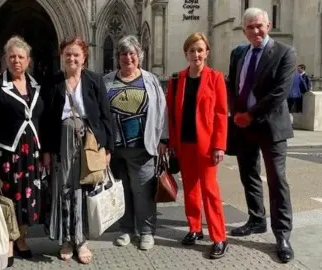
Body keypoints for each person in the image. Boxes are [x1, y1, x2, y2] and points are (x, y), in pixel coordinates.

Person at [226, 7, 295, 263]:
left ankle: (282, 234)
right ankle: (256, 220)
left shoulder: (284, 52)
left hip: (270, 126)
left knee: (277, 181)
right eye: (250, 27)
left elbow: (279, 93)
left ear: (268, 25)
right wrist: (235, 113)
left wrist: (250, 114)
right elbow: (232, 85)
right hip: (243, 126)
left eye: (259, 26)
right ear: (244, 30)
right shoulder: (238, 53)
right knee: (249, 175)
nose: (255, 31)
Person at [40, 36, 112, 264]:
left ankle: (81, 240)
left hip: (88, 144)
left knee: (83, 189)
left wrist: (108, 148)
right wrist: (47, 151)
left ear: (84, 58)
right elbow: (45, 119)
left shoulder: (94, 80)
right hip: (61, 142)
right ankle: (66, 240)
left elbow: (105, 115)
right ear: (62, 57)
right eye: (67, 54)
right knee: (63, 190)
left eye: (76, 55)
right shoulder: (52, 82)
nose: (71, 58)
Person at [0, 35, 44, 267]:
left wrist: (44, 150)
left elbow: (41, 120)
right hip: (7, 153)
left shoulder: (36, 85)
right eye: (12, 56)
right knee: (7, 200)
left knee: (28, 200)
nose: (17, 61)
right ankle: (7, 241)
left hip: (31, 154)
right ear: (5, 59)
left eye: (21, 57)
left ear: (28, 61)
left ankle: (22, 239)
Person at [167, 32, 228, 259]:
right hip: (185, 143)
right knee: (190, 189)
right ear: (186, 53)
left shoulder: (215, 78)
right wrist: (173, 143)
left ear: (207, 52)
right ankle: (195, 228)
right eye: (192, 50)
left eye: (200, 50)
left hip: (207, 146)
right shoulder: (177, 79)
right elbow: (172, 114)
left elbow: (221, 114)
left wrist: (219, 145)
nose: (196, 54)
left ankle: (219, 237)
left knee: (210, 191)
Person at [103, 35, 167, 251]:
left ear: (139, 56)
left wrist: (163, 139)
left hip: (142, 146)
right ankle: (126, 229)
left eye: (132, 53)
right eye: (123, 54)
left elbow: (162, 110)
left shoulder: (150, 80)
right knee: (122, 191)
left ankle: (147, 231)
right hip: (115, 149)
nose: (127, 57)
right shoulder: (107, 80)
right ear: (117, 57)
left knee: (143, 192)